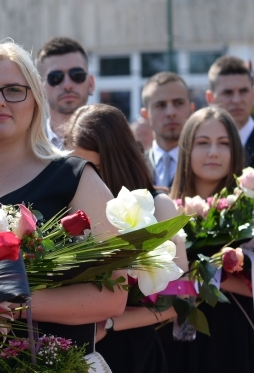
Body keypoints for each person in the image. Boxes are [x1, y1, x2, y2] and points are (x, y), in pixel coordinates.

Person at [0, 41, 127, 356]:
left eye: (13, 90)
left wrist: (15, 304)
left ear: (35, 99)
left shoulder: (74, 177)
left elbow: (114, 295)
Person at [165, 106, 254, 373]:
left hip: (242, 335)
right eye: (203, 143)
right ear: (186, 149)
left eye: (223, 144)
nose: (213, 152)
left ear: (235, 151)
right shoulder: (165, 209)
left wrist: (208, 277)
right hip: (179, 340)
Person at [64, 103, 185, 373]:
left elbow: (181, 296)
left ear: (116, 159)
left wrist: (110, 324)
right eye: (74, 167)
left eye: (92, 168)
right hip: (75, 350)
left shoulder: (159, 205)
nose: (83, 178)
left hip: (133, 351)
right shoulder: (66, 210)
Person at [206, 55, 254, 171]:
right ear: (210, 98)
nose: (237, 100)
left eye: (243, 91)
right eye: (228, 92)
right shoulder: (199, 148)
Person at [35, 37, 94, 148]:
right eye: (56, 77)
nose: (67, 85)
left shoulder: (112, 142)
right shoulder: (27, 149)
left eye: (77, 75)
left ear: (91, 84)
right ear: (39, 88)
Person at [140, 72, 195, 189]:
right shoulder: (133, 167)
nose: (170, 112)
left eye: (178, 103)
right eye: (160, 105)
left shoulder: (206, 164)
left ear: (191, 109)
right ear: (145, 114)